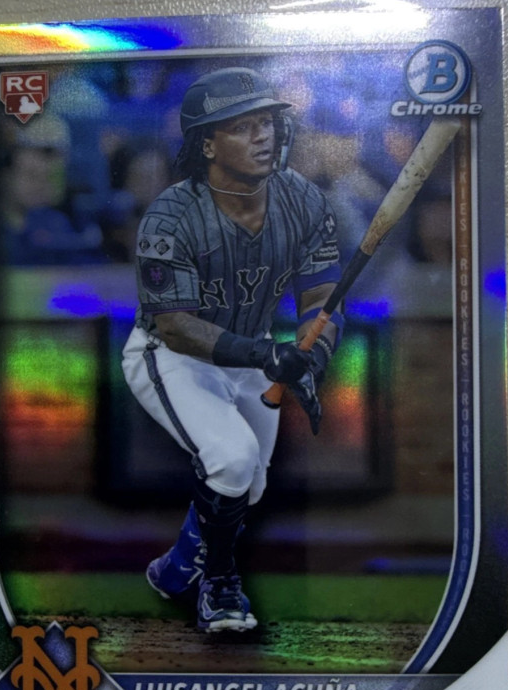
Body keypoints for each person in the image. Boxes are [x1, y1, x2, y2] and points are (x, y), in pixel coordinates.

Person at [122, 67, 344, 633]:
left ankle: (176, 568)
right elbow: (175, 325)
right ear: (207, 143)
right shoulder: (171, 215)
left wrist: (313, 355)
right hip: (172, 355)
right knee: (232, 459)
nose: (263, 136)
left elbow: (321, 297)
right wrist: (267, 357)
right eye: (243, 127)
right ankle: (220, 588)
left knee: (251, 483)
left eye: (266, 122)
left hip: (251, 353)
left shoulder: (302, 198)